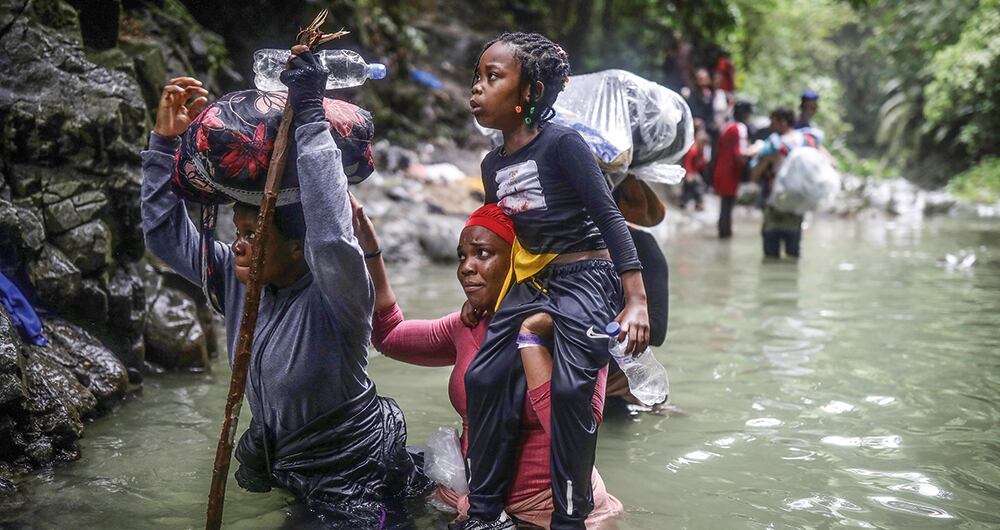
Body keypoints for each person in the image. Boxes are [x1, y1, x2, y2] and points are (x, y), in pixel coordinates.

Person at [140, 53, 428, 526]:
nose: (238, 245)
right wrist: (165, 145)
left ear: (300, 249)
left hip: (354, 472)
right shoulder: (237, 284)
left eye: (255, 233)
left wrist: (312, 115)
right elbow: (164, 237)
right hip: (291, 466)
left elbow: (333, 233)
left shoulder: (337, 295)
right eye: (238, 230)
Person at [461, 32, 650, 530]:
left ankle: (570, 516)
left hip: (588, 275)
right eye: (476, 78)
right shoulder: (492, 163)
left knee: (570, 391)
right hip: (534, 279)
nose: (477, 88)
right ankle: (483, 512)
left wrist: (635, 301)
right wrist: (485, 296)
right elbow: (504, 239)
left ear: (528, 93)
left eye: (492, 77)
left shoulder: (563, 144)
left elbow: (610, 219)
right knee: (482, 377)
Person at [353, 200, 624, 528]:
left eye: (483, 253)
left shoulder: (571, 325)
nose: (466, 267)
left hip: (552, 511)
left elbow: (574, 431)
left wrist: (531, 337)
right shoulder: (467, 325)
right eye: (462, 256)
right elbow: (390, 337)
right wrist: (371, 252)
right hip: (474, 504)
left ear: (519, 261)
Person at [750, 107, 818, 258]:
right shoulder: (807, 141)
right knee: (793, 252)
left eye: (773, 122)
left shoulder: (774, 144)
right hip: (798, 204)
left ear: (783, 122)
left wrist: (764, 163)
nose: (771, 126)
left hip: (774, 204)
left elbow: (754, 176)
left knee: (771, 254)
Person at [711, 100, 756, 238]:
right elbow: (740, 154)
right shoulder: (740, 128)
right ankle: (725, 236)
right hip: (730, 173)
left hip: (720, 170)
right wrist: (757, 149)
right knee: (727, 206)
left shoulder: (726, 126)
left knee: (725, 206)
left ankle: (723, 234)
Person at [680, 119, 709, 211]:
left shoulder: (700, 151)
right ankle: (686, 202)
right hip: (689, 173)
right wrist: (689, 173)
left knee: (698, 187)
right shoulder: (693, 150)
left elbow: (702, 164)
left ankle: (697, 203)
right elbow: (687, 162)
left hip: (695, 172)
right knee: (692, 187)